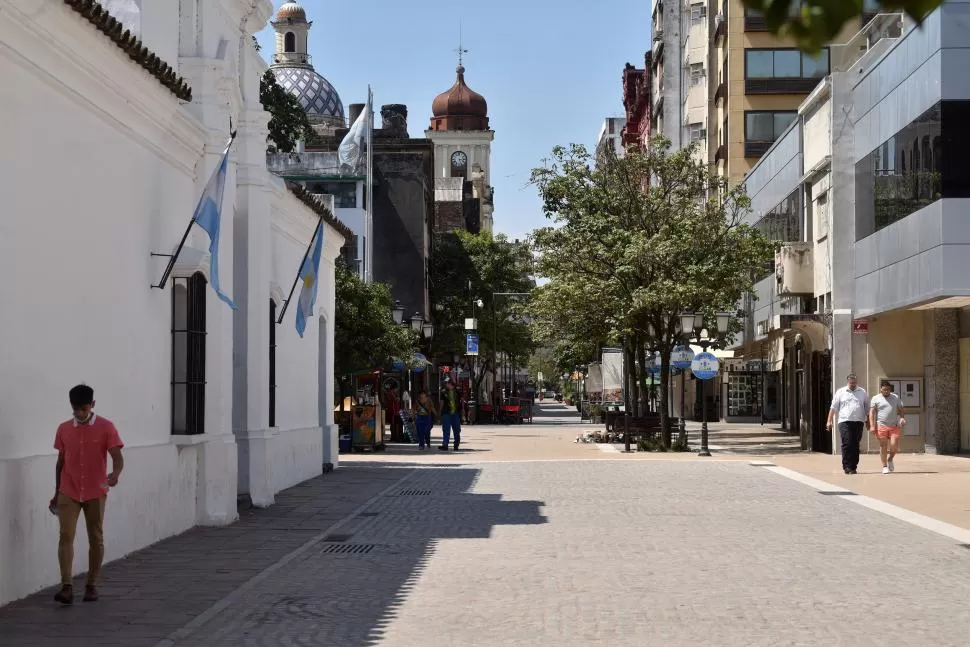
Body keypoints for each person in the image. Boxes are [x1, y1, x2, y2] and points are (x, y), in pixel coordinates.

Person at [50, 385, 124, 605]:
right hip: (68, 490)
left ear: (92, 405)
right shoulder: (63, 429)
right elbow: (60, 462)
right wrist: (56, 492)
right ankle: (66, 587)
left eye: (83, 408)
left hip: (95, 490)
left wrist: (116, 473)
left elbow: (117, 457)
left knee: (96, 537)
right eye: (75, 409)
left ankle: (91, 585)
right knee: (65, 536)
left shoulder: (106, 427)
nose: (79, 413)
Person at [826, 373, 869, 474]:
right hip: (844, 421)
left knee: (855, 444)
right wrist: (829, 420)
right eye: (851, 383)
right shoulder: (841, 392)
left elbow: (867, 407)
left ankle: (853, 466)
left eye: (854, 383)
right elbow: (833, 407)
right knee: (847, 443)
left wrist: (869, 421)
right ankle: (846, 466)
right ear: (848, 382)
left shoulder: (862, 392)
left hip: (858, 421)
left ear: (856, 382)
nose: (853, 384)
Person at [869, 381, 906, 474]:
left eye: (888, 389)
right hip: (881, 425)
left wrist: (902, 418)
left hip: (894, 426)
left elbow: (901, 409)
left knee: (894, 446)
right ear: (881, 389)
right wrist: (872, 426)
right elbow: (872, 412)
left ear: (890, 390)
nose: (886, 391)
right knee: (883, 446)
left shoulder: (895, 397)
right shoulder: (876, 398)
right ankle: (884, 466)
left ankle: (890, 459)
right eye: (884, 389)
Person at [439, 377, 462, 451]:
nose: (445, 385)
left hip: (456, 413)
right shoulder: (443, 392)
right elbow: (442, 403)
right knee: (446, 429)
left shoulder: (458, 391)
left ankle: (456, 445)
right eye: (445, 383)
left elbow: (461, 401)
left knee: (457, 430)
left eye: (446, 383)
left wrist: (463, 411)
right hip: (446, 413)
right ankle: (445, 445)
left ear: (450, 383)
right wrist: (440, 412)